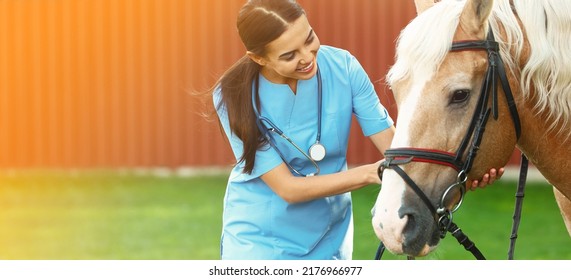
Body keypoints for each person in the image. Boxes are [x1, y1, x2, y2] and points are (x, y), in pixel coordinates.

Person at [209, 0, 502, 260]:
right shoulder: (232, 95)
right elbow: (288, 189)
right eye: (289, 55)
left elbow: (396, 148)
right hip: (259, 243)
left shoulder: (344, 67)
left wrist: (461, 171)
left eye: (309, 38)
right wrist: (369, 173)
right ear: (259, 58)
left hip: (330, 240)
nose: (307, 57)